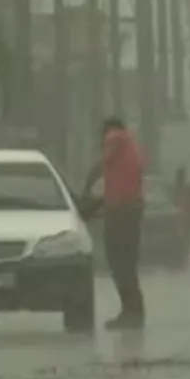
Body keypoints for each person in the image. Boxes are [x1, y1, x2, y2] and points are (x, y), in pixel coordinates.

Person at [82, 117, 146, 330]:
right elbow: (118, 183)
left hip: (121, 212)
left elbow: (101, 169)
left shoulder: (115, 138)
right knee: (127, 263)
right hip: (132, 209)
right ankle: (134, 311)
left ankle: (131, 313)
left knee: (119, 262)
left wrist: (87, 192)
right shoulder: (133, 148)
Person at [172, 166, 190, 252]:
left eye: (181, 176)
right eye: (179, 176)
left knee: (185, 236)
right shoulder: (177, 188)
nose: (180, 178)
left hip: (186, 217)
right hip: (180, 217)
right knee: (183, 236)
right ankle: (183, 250)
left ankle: (184, 250)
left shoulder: (185, 188)